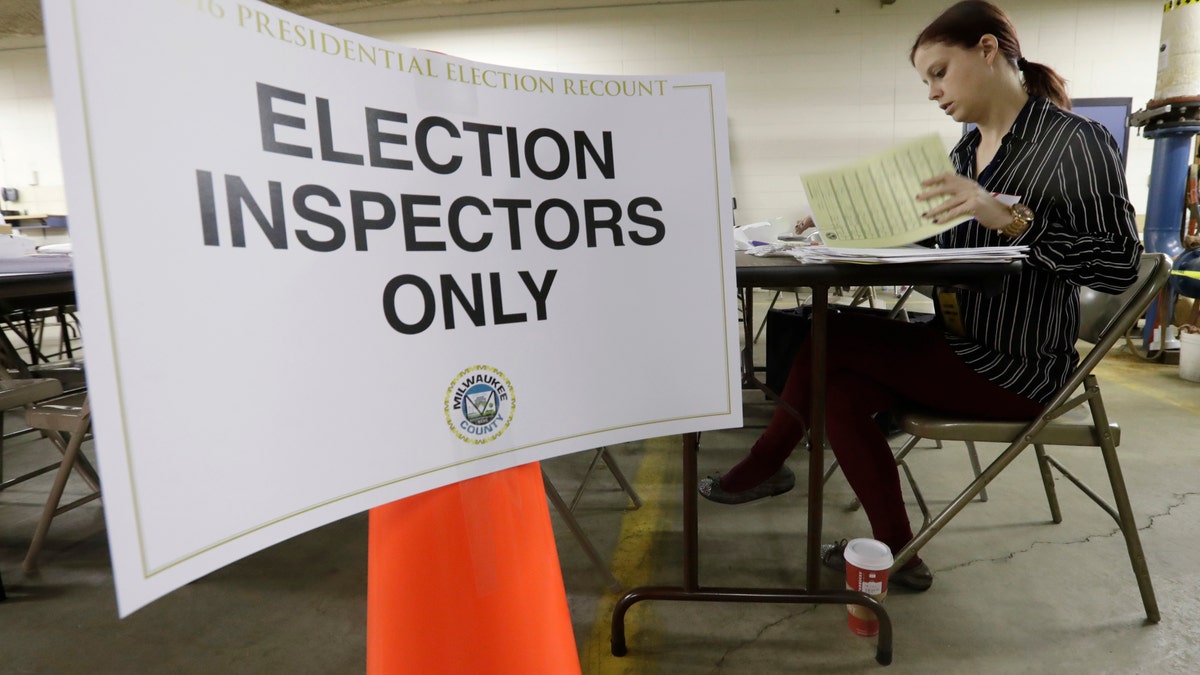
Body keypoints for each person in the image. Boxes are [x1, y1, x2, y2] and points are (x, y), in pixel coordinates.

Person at [699, 0, 1143, 592]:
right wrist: (848, 227)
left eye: (939, 71)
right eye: (925, 80)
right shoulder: (965, 152)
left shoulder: (1073, 142)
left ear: (988, 50)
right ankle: (897, 551)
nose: (932, 91)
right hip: (960, 342)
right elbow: (948, 244)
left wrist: (1010, 221)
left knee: (829, 332)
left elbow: (1116, 265)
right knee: (837, 389)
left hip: (1020, 366)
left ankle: (764, 466)